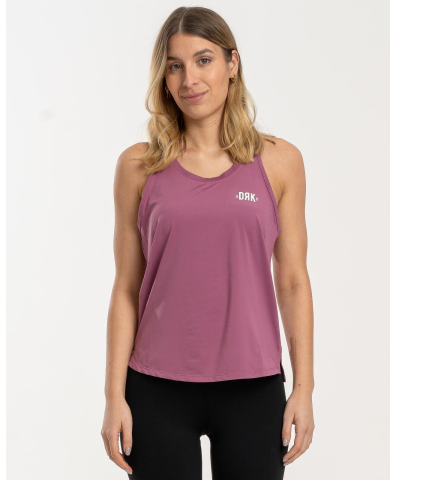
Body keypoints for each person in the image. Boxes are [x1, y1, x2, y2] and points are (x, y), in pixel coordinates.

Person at [101, 6, 314, 479]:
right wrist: (114, 395)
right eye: (175, 66)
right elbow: (126, 288)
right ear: (163, 77)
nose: (190, 79)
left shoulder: (279, 161)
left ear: (232, 63)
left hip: (253, 386)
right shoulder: (138, 166)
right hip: (156, 387)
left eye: (204, 60)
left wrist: (304, 389)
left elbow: (293, 281)